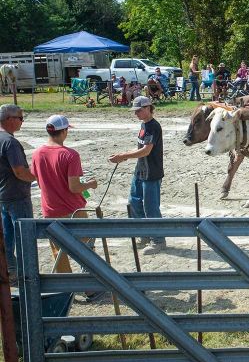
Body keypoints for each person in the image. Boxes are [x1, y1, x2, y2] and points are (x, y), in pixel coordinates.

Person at [30, 115, 99, 278]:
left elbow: (38, 179)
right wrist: (90, 184)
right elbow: (74, 187)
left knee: (59, 253)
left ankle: (65, 288)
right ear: (64, 131)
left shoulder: (37, 153)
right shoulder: (70, 155)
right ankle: (90, 287)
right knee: (85, 248)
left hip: (50, 210)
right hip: (73, 209)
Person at [109, 96, 165, 255]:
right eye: (135, 111)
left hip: (151, 173)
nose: (136, 113)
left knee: (151, 208)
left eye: (139, 110)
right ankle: (145, 234)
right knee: (133, 202)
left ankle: (158, 240)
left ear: (148, 108)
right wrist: (125, 156)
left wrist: (123, 156)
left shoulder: (153, 126)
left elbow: (146, 150)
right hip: (140, 170)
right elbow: (141, 150)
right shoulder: (144, 125)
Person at [0, 104, 35, 286]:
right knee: (25, 237)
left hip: (3, 196)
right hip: (17, 196)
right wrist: (38, 177)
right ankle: (28, 275)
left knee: (7, 237)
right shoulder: (10, 142)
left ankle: (11, 271)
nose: (22, 122)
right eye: (20, 118)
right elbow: (20, 172)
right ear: (10, 119)